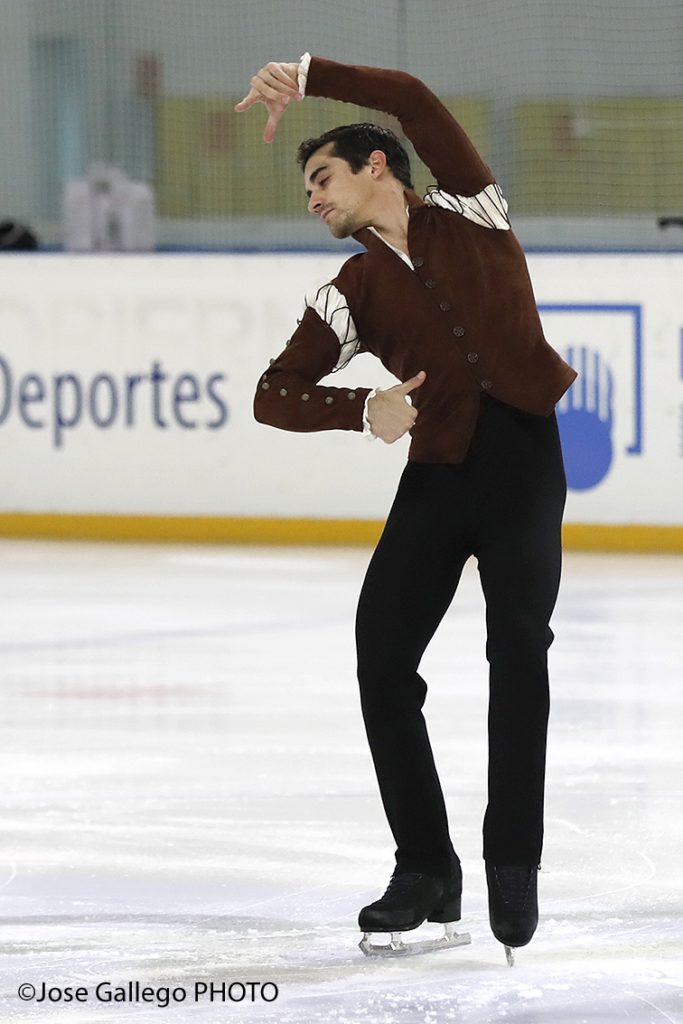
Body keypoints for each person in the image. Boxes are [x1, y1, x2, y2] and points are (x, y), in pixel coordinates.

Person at [236, 53, 577, 962]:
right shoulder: (345, 292)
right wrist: (361, 408)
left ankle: (513, 862)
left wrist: (304, 74)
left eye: (322, 177)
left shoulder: (469, 206)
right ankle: (425, 866)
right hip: (435, 475)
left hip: (520, 461)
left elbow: (414, 99)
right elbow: (274, 392)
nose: (312, 197)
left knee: (518, 649)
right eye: (306, 186)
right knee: (381, 660)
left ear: (375, 165)